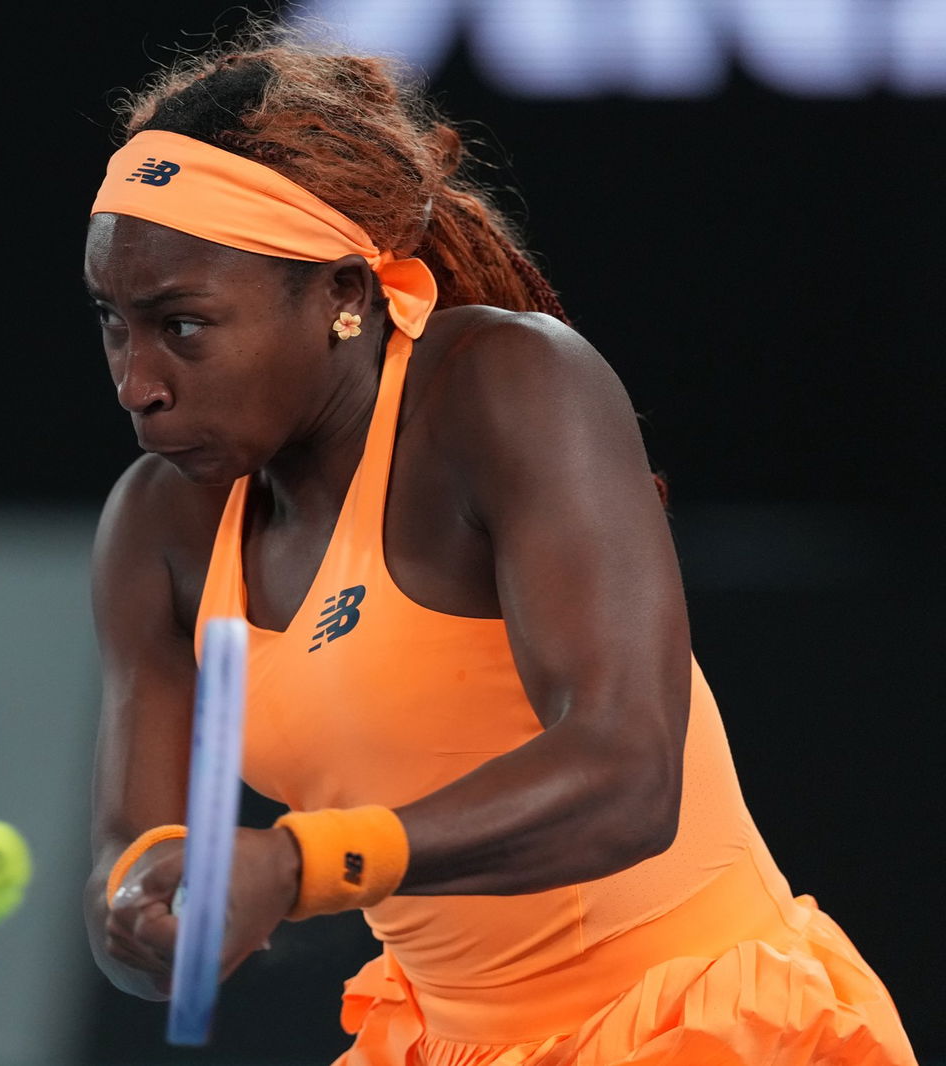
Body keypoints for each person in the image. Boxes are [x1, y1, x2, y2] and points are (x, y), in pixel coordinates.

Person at [78, 20, 917, 1066]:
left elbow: (627, 772)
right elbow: (131, 851)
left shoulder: (509, 386)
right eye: (113, 320)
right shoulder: (155, 525)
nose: (136, 383)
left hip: (701, 1025)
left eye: (183, 323)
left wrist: (299, 866)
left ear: (340, 295)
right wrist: (153, 906)